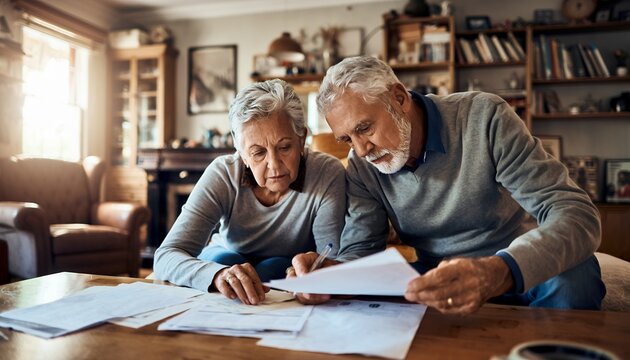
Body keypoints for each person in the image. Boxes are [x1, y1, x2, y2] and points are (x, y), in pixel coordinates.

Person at [289, 56, 605, 315]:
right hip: (438, 275)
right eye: (347, 139)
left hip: (517, 261)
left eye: (365, 128)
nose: (360, 150)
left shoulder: (485, 118)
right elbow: (361, 251)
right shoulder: (361, 167)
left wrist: (499, 271)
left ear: (398, 98)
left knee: (574, 278)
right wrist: (329, 273)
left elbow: (576, 214)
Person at [154, 79, 346, 305]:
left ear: (301, 139)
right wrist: (217, 275)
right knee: (226, 259)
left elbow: (330, 258)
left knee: (274, 266)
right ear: (241, 152)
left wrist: (313, 275)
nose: (274, 165)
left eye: (284, 147)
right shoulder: (223, 173)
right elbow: (166, 255)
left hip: (282, 269)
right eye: (258, 153)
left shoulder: (327, 173)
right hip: (224, 257)